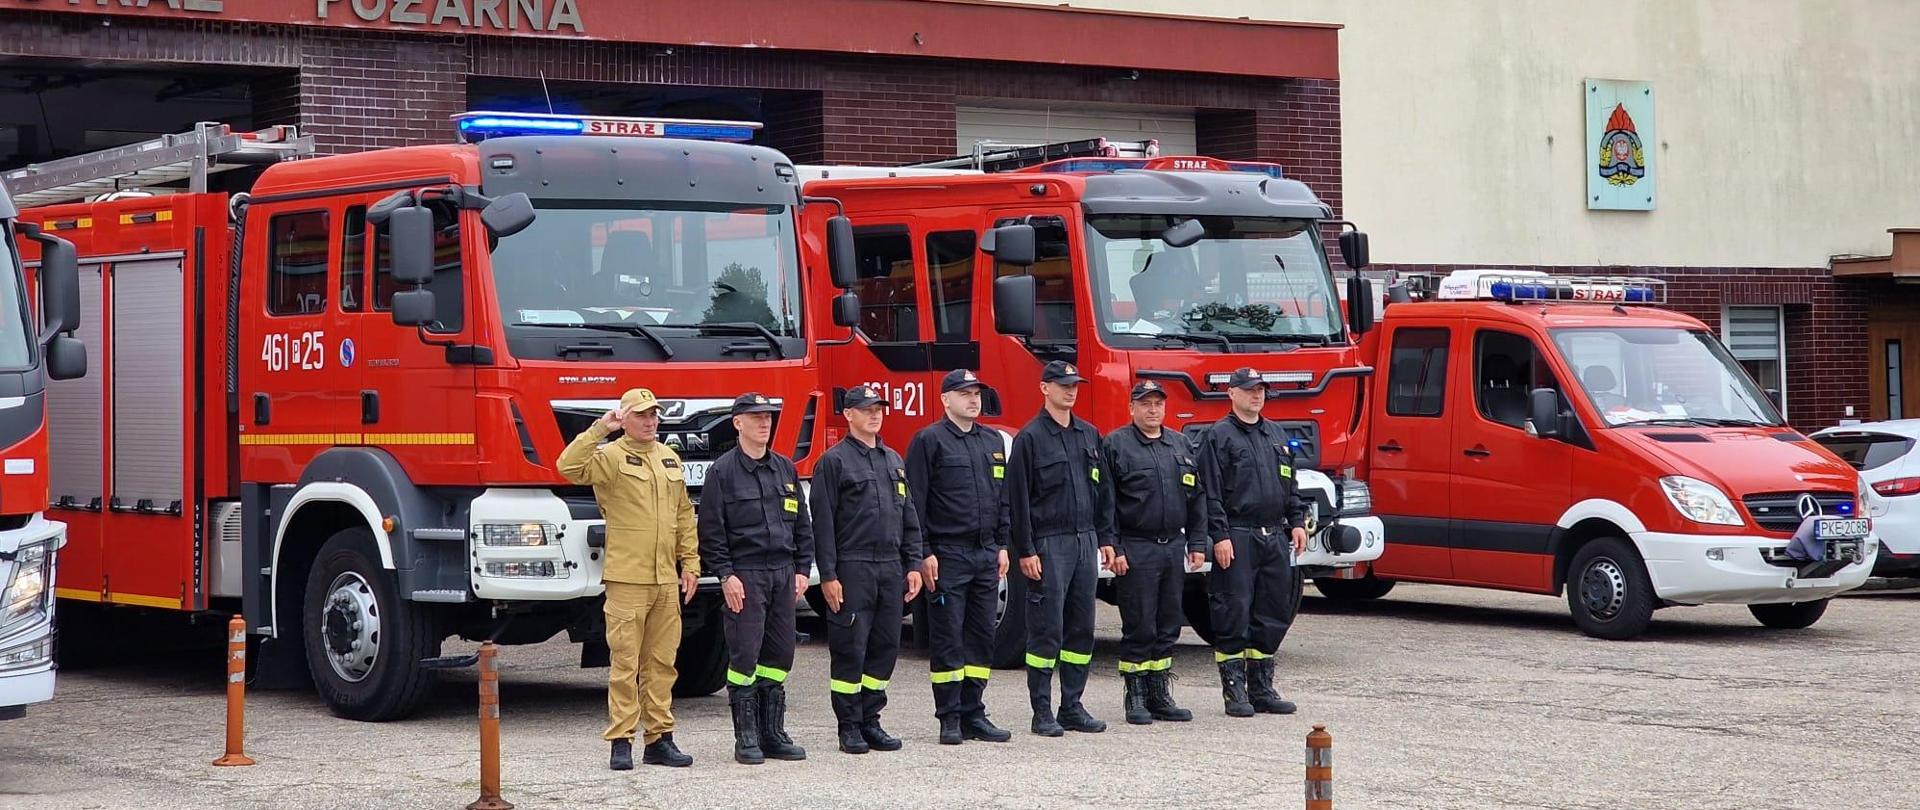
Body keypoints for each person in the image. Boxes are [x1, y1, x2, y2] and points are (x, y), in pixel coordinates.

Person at [555, 387, 698, 770]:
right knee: (625, 664)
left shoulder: (669, 458)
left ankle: (659, 739)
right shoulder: (611, 458)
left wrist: (691, 563)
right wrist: (601, 428)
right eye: (642, 415)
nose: (651, 421)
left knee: (663, 663)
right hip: (627, 578)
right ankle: (621, 739)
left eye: (654, 415)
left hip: (665, 578)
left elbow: (683, 514)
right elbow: (567, 466)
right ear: (625, 418)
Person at [808, 384, 926, 754]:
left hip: (890, 567)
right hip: (853, 566)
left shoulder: (893, 460)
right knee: (850, 648)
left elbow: (909, 516)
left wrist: (914, 563)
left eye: (879, 408)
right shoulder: (834, 461)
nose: (875, 414)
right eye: (867, 409)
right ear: (848, 414)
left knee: (884, 647)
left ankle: (872, 720)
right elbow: (822, 524)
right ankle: (849, 726)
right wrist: (828, 575)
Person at [697, 392, 814, 765]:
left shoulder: (784, 468)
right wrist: (726, 575)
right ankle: (746, 737)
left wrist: (801, 569)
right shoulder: (723, 472)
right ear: (738, 424)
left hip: (782, 573)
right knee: (745, 653)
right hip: (745, 575)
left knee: (780, 654)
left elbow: (802, 524)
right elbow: (711, 531)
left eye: (768, 417)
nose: (765, 423)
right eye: (756, 417)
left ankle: (772, 733)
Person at [905, 368, 1013, 745]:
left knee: (982, 637)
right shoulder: (929, 441)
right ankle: (949, 717)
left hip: (985, 554)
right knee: (949, 637)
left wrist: (1002, 544)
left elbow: (1003, 497)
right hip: (947, 555)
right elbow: (915, 501)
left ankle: (974, 713)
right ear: (945, 399)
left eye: (977, 393)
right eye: (964, 393)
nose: (973, 399)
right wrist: (925, 552)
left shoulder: (992, 441)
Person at [1007, 360, 1115, 737]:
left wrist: (1106, 538)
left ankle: (1072, 705)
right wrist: (1026, 550)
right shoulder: (1030, 438)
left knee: (1081, 628)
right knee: (1046, 630)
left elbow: (1103, 491)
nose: (1071, 391)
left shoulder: (1089, 434)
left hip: (1084, 539)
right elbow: (1018, 501)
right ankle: (1041, 711)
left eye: (1075, 385)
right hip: (1049, 543)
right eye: (1063, 385)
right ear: (1044, 389)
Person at [1197, 367, 1311, 718]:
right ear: (1231, 394)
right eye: (1248, 390)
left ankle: (1262, 688)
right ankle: (1235, 691)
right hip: (1238, 535)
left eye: (1260, 389)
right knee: (1233, 611)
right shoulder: (1218, 437)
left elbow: (1289, 484)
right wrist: (1220, 536)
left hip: (1274, 536)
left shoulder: (1276, 435)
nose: (1256, 395)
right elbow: (1209, 493)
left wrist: (1296, 522)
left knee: (1272, 612)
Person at [1102, 380, 1207, 725]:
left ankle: (1160, 693)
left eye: (1158, 404)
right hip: (1136, 546)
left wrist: (1196, 543)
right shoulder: (1116, 445)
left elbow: (1197, 498)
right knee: (1139, 623)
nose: (1152, 410)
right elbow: (1107, 504)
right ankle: (1136, 696)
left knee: (1167, 623)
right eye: (1145, 404)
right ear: (1131, 408)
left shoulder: (1180, 444)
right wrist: (1113, 547)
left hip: (1172, 546)